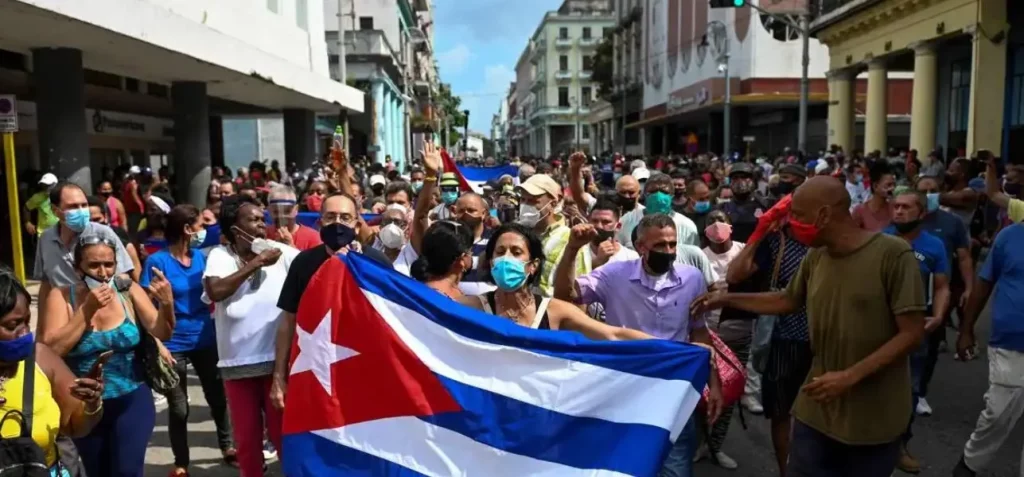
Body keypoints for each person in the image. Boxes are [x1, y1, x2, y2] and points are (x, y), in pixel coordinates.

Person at [692, 176, 927, 477]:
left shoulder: (893, 255)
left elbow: (911, 333)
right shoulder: (817, 256)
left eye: (799, 216)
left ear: (824, 215)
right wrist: (725, 299)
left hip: (872, 415)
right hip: (816, 408)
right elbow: (787, 300)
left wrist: (849, 377)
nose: (793, 224)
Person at [553, 213, 723, 477]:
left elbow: (699, 332)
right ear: (641, 247)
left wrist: (713, 383)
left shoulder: (692, 279)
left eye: (672, 244)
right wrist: (572, 249)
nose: (668, 251)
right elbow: (566, 294)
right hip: (624, 384)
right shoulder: (614, 275)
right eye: (660, 246)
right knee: (619, 463)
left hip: (674, 386)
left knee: (674, 467)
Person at [40, 234, 176, 477]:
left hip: (131, 398)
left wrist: (167, 304)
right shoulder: (61, 297)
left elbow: (162, 332)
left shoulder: (128, 290)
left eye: (109, 264)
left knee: (127, 471)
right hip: (83, 406)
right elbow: (52, 351)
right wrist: (87, 310)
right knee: (97, 471)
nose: (102, 272)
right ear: (77, 267)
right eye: (94, 265)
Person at [271, 193, 393, 411]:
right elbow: (288, 321)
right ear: (319, 223)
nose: (338, 223)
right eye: (331, 217)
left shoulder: (376, 263)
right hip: (319, 371)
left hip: (368, 372)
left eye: (345, 217)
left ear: (357, 226)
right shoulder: (303, 263)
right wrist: (279, 377)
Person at [201, 196, 295, 477]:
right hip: (237, 365)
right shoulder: (220, 256)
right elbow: (216, 291)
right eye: (252, 220)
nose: (260, 225)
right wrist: (255, 264)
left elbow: (312, 269)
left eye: (262, 219)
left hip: (277, 364)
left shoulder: (281, 252)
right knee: (247, 442)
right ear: (234, 229)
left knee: (284, 438)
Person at [141, 205, 235, 476]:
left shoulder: (202, 258)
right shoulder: (157, 263)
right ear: (186, 229)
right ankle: (181, 462)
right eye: (200, 225)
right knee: (179, 408)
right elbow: (146, 308)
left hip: (206, 338)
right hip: (173, 344)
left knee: (217, 398)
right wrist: (156, 343)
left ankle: (228, 447)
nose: (203, 231)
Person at [459, 222, 650, 341]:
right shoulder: (471, 308)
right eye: (500, 253)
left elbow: (612, 335)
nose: (506, 259)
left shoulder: (554, 311)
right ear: (491, 261)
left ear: (533, 265)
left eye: (516, 253)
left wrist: (671, 350)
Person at [0, 268, 106, 477]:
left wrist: (91, 404)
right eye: (12, 325)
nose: (24, 332)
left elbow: (77, 427)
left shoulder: (41, 359)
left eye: (26, 321)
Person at [883, 190, 950, 473]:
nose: (898, 212)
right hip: (879, 328)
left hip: (915, 329)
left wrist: (937, 316)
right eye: (895, 206)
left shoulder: (934, 245)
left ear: (921, 213)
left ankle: (899, 445)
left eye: (906, 207)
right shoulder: (879, 240)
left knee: (909, 389)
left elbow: (942, 285)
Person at [952, 221, 1024, 477]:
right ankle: (969, 465)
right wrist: (966, 330)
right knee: (999, 412)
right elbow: (984, 284)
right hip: (1010, 343)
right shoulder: (1009, 236)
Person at [35, 182, 135, 338]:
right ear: (56, 211)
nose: (81, 211)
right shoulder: (46, 239)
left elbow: (124, 278)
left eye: (84, 205)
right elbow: (46, 284)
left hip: (103, 323)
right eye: (73, 207)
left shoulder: (104, 234)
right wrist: (41, 330)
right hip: (65, 323)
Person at [914, 175, 973, 413]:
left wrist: (969, 287)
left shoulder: (952, 222)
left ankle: (920, 393)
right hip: (905, 295)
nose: (928, 195)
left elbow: (965, 256)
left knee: (930, 346)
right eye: (923, 191)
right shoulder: (903, 220)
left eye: (933, 191)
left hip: (939, 293)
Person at [697, 210, 748, 469]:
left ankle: (715, 446)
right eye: (710, 222)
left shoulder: (744, 251)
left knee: (730, 391)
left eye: (721, 220)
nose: (716, 226)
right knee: (702, 392)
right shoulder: (700, 256)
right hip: (705, 332)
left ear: (730, 225)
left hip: (737, 329)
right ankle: (698, 441)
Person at [410, 221, 477, 299]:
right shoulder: (447, 301)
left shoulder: (415, 289)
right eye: (470, 251)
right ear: (462, 259)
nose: (471, 255)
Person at [87, 196, 142, 283]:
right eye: (88, 221)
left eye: (96, 220)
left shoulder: (123, 244)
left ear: (105, 217)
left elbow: (138, 279)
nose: (94, 225)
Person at [719, 162, 772, 243]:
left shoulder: (765, 205)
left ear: (753, 180)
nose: (740, 181)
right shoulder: (723, 207)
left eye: (744, 177)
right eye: (735, 178)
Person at [266, 185, 321, 251]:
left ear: (296, 210)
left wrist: (290, 246)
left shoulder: (313, 237)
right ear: (269, 211)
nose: (281, 216)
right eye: (276, 211)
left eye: (287, 211)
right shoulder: (265, 234)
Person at [852, 162, 896, 231]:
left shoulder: (895, 210)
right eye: (889, 185)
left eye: (894, 185)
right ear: (875, 186)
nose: (892, 188)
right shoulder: (860, 211)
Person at [938, 158, 980, 227]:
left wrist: (929, 197)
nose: (946, 173)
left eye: (951, 171)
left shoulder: (970, 194)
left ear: (961, 175)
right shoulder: (948, 192)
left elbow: (960, 198)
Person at [25, 173, 60, 238]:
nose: (46, 187)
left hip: (60, 233)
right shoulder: (37, 197)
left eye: (48, 185)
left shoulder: (62, 195)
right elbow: (26, 208)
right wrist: (28, 222)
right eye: (44, 185)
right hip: (43, 234)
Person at [121, 166, 146, 237]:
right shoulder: (133, 183)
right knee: (136, 231)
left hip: (128, 210)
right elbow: (134, 196)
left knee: (131, 230)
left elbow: (122, 196)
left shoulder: (125, 182)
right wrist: (142, 207)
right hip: (135, 210)